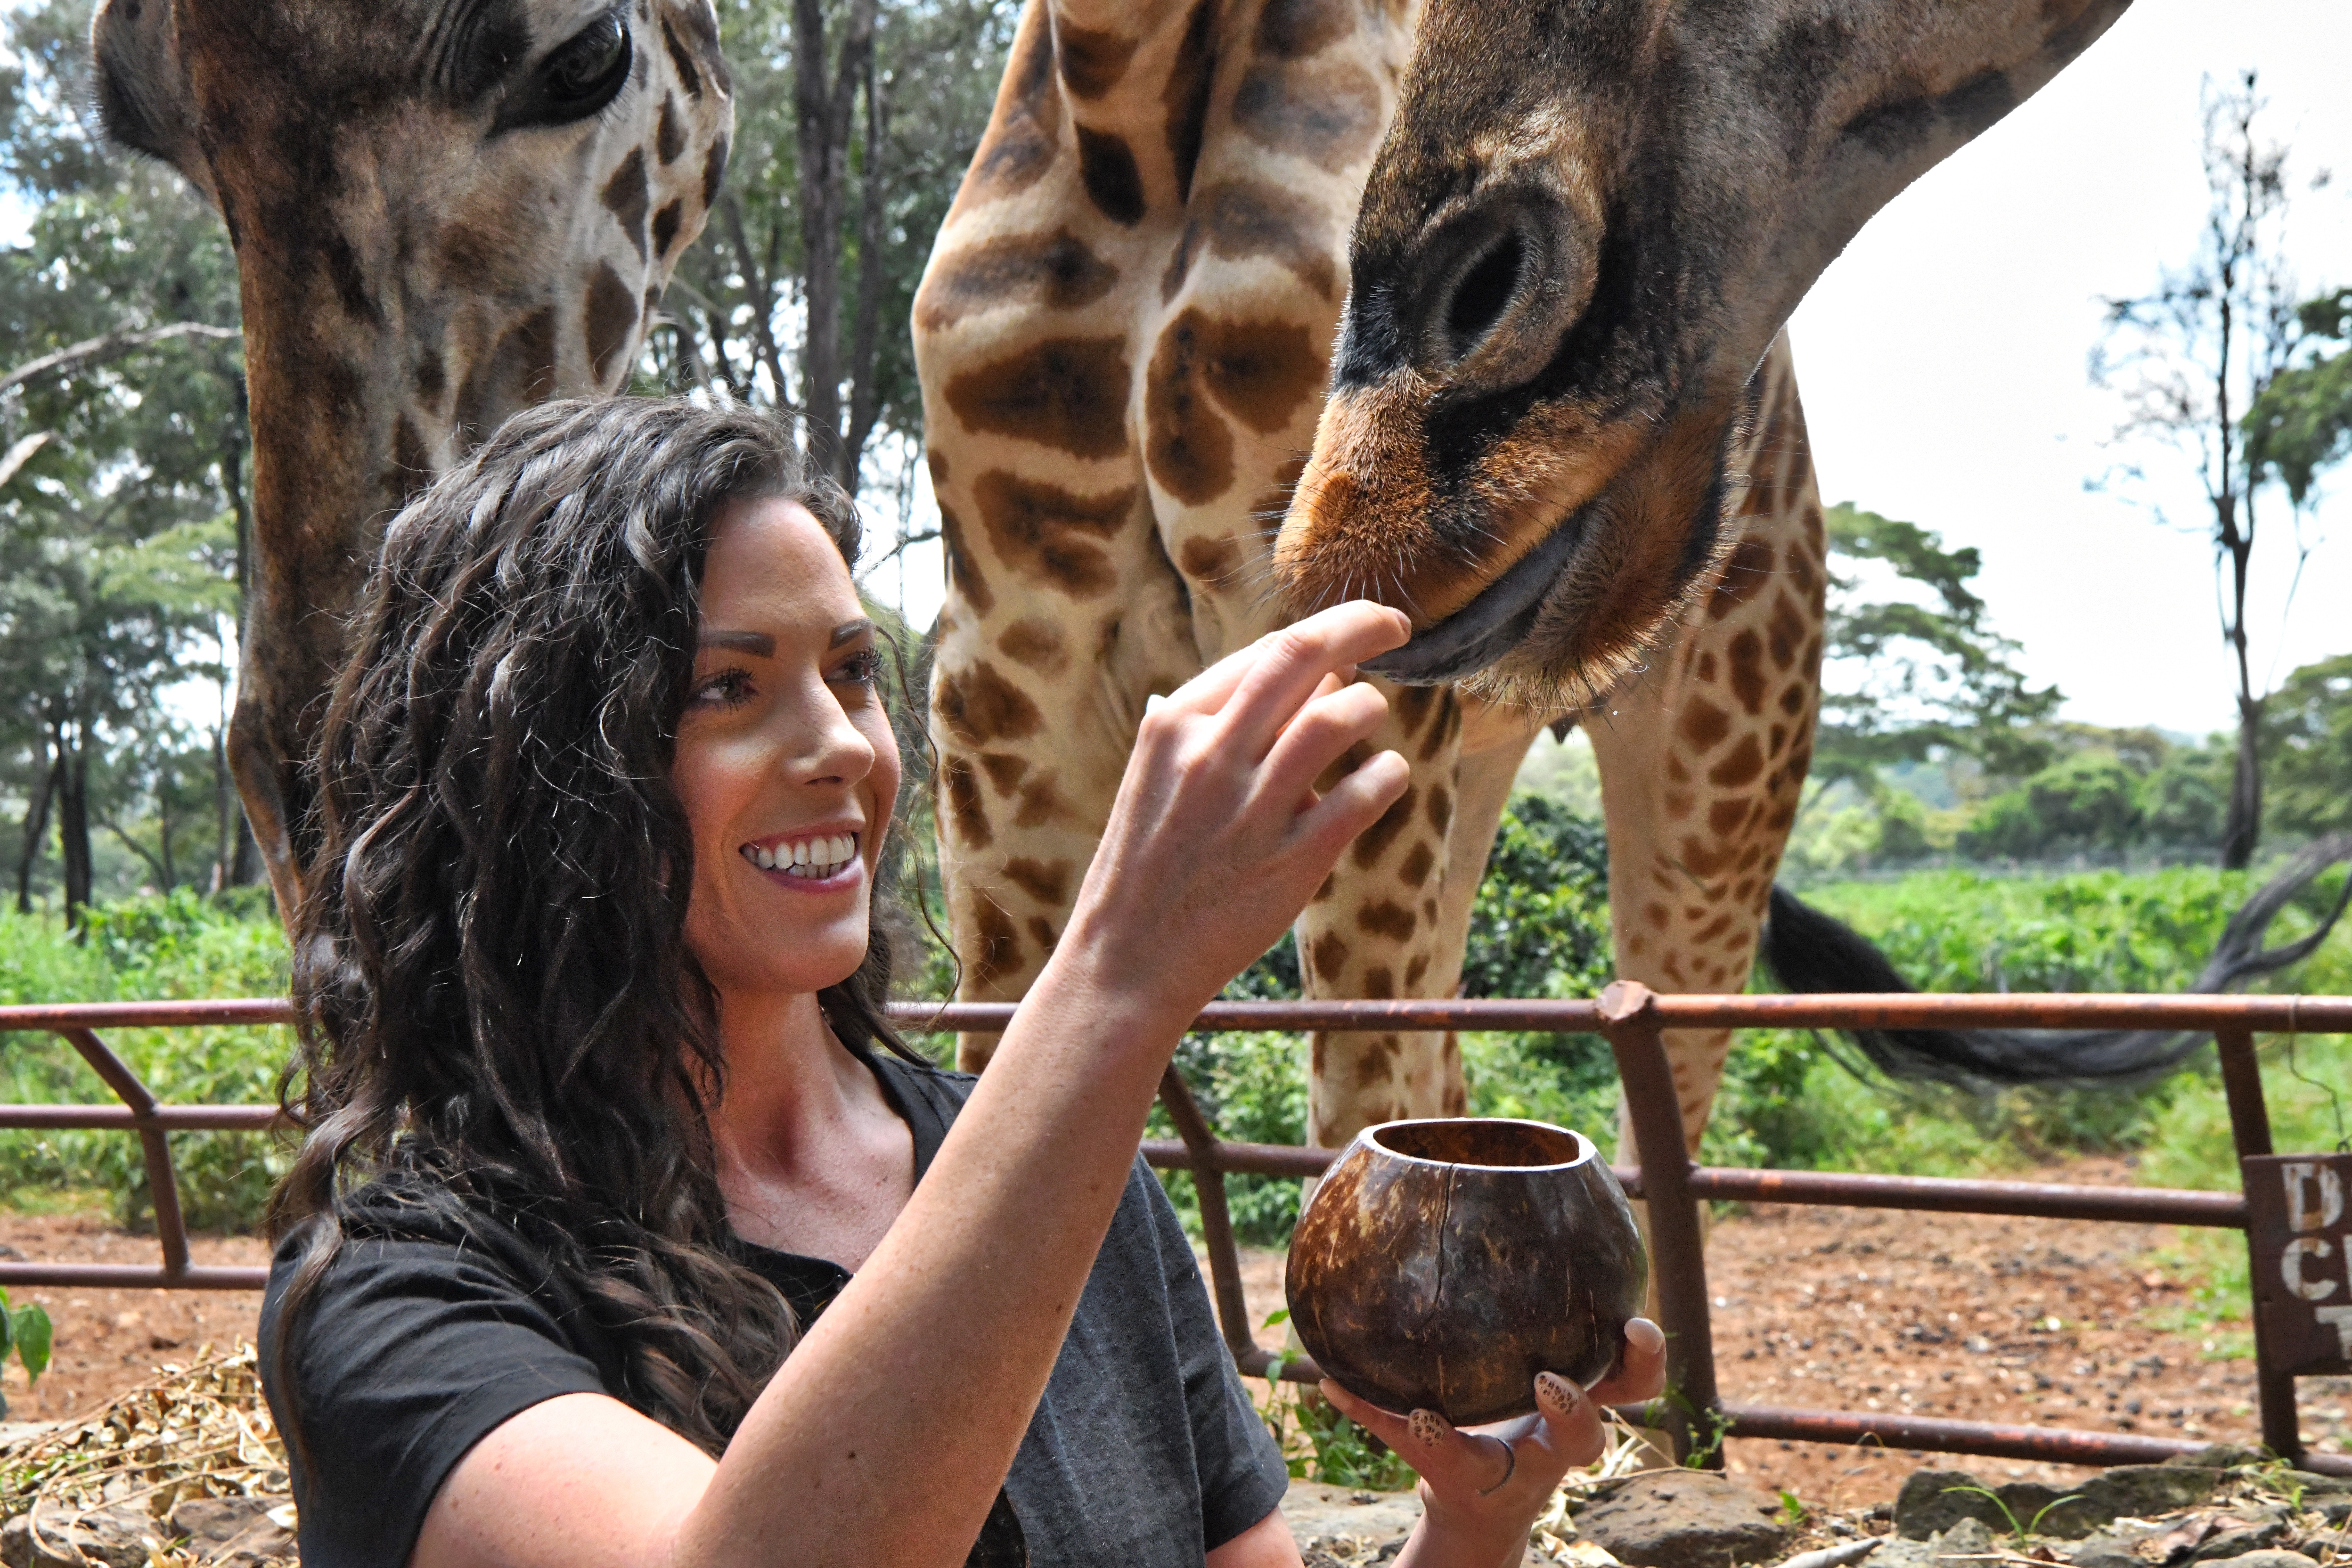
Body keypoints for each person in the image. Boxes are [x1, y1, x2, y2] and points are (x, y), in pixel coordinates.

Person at [260, 397, 1665, 1568]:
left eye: (855, 671)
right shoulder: (402, 1296)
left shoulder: (1071, 1184)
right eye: (725, 688)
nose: (845, 749)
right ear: (533, 778)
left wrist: (1473, 1531)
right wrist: (1114, 982)